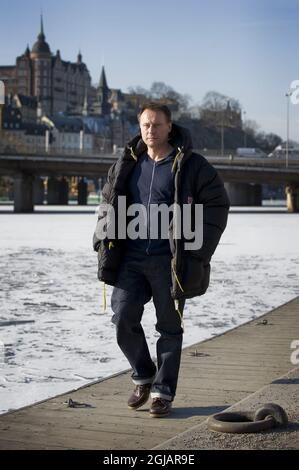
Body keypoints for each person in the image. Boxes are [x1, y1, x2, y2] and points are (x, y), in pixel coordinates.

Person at [93, 103, 230, 418]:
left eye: (156, 125)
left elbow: (218, 203)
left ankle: (163, 392)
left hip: (169, 261)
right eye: (145, 125)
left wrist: (197, 249)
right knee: (122, 316)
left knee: (169, 327)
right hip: (130, 257)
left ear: (170, 127)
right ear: (139, 127)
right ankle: (144, 374)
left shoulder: (192, 165)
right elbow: (108, 199)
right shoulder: (127, 162)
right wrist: (102, 240)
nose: (150, 131)